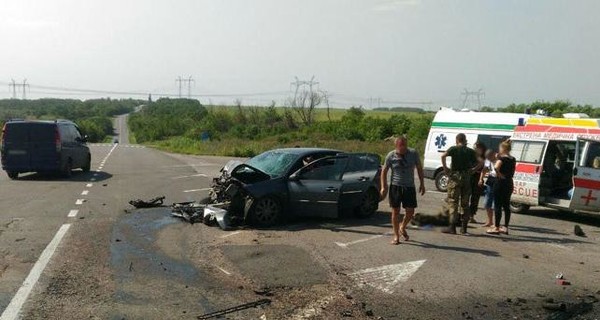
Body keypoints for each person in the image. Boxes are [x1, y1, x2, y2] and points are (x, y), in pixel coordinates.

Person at [380, 136, 426, 245]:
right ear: (396, 146)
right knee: (395, 211)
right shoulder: (391, 156)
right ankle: (396, 236)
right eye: (401, 146)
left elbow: (419, 168)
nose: (403, 148)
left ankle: (403, 226)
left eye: (405, 145)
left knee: (410, 211)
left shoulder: (413, 153)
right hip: (396, 186)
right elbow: (384, 171)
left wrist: (422, 184)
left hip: (409, 187)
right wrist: (383, 186)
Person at [441, 133, 477, 235]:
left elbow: (443, 155)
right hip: (466, 177)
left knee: (453, 201)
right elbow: (481, 161)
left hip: (455, 177)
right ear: (465, 140)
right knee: (465, 204)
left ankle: (452, 228)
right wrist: (473, 170)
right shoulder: (470, 151)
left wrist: (445, 168)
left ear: (457, 140)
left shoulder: (454, 149)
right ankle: (464, 229)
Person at [487, 140, 516, 235]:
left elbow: (496, 167)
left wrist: (499, 174)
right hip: (509, 182)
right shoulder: (513, 159)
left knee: (498, 205)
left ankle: (496, 227)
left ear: (503, 148)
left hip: (500, 183)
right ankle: (506, 227)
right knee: (506, 205)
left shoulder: (501, 159)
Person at [468, 142, 487, 223]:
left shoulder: (484, 158)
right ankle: (464, 215)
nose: (475, 149)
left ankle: (471, 215)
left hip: (478, 177)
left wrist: (480, 179)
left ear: (481, 149)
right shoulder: (471, 156)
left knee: (475, 198)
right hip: (469, 177)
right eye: (474, 147)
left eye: (477, 148)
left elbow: (484, 169)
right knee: (466, 196)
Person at [478, 149, 497, 227]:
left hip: (498, 180)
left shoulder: (499, 160)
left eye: (490, 158)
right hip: (490, 180)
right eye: (488, 158)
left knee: (495, 204)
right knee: (487, 203)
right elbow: (484, 170)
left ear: (494, 155)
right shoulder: (488, 161)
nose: (489, 160)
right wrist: (480, 179)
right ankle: (489, 221)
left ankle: (496, 223)